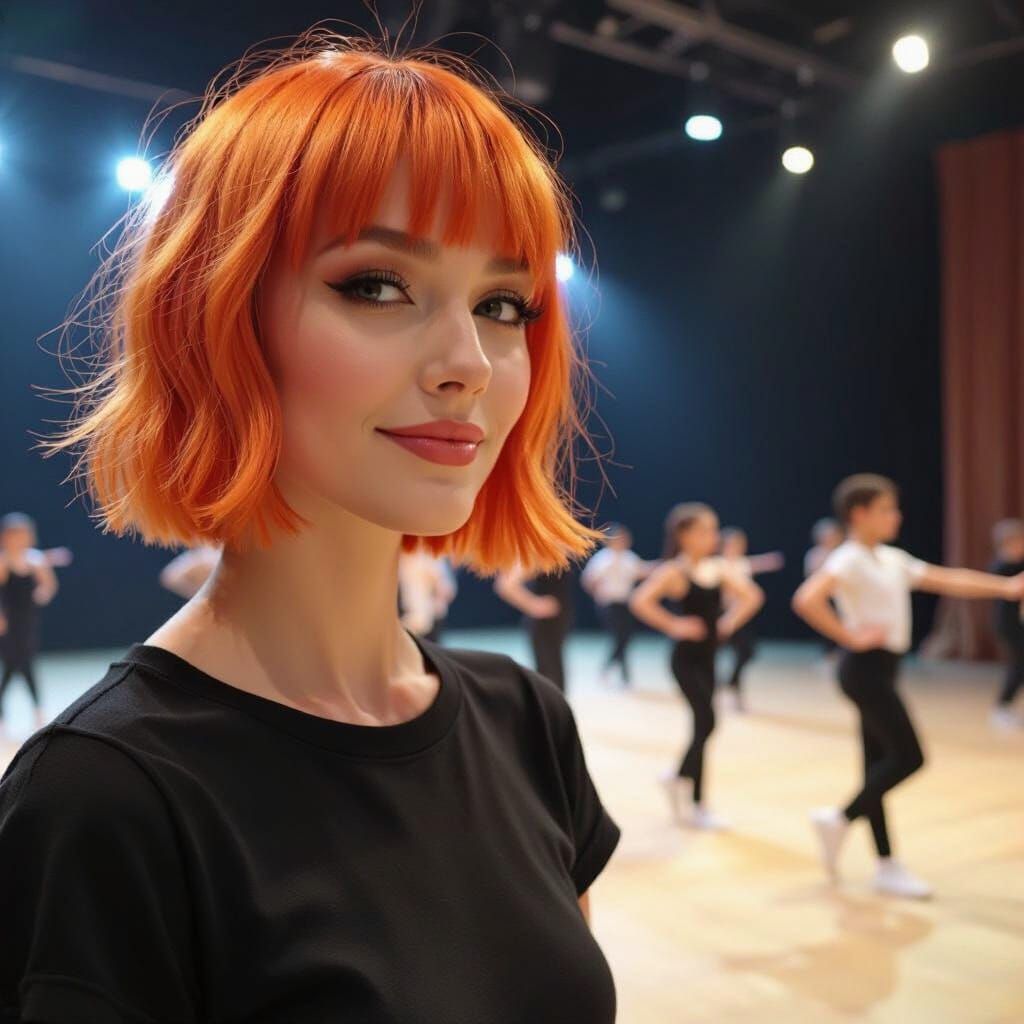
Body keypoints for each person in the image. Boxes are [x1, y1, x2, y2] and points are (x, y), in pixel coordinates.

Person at [0, 35, 621, 1023]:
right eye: (377, 284)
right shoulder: (108, 801)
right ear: (217, 315)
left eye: (505, 303)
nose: (469, 361)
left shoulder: (526, 722)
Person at [793, 474, 1024, 899]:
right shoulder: (849, 558)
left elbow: (947, 578)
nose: (896, 515)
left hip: (883, 668)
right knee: (909, 757)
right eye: (887, 509)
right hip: (863, 669)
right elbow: (807, 598)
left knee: (875, 765)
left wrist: (1006, 587)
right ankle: (840, 818)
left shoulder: (890, 558)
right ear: (859, 514)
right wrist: (849, 636)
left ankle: (884, 864)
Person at [629, 503, 763, 829]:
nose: (712, 537)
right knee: (707, 720)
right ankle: (689, 790)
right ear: (684, 535)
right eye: (704, 531)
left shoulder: (719, 569)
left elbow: (752, 596)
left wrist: (729, 622)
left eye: (714, 530)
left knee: (702, 725)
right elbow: (640, 601)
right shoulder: (676, 571)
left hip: (709, 658)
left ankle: (687, 788)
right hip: (685, 660)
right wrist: (674, 625)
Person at [0, 513, 61, 738]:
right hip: (7, 624)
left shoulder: (35, 560)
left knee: (25, 663)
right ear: (5, 538)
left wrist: (41, 594)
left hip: (27, 621)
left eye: (23, 536)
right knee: (11, 665)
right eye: (14, 536)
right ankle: (7, 715)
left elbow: (49, 585)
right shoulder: (3, 561)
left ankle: (37, 711)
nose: (18, 540)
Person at [580, 523, 654, 687]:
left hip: (625, 603)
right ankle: (609, 669)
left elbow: (642, 570)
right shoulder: (602, 559)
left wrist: (663, 566)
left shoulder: (629, 557)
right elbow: (588, 579)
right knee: (620, 637)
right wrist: (597, 594)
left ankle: (624, 675)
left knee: (626, 637)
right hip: (609, 604)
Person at [718, 527, 784, 710]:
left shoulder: (742, 563)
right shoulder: (718, 564)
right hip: (720, 614)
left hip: (740, 616)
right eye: (734, 543)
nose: (738, 547)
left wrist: (771, 561)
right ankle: (718, 690)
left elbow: (758, 563)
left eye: (741, 544)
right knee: (710, 652)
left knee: (746, 651)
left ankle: (732, 684)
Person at [494, 564, 575, 692]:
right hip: (544, 624)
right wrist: (534, 605)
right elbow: (506, 585)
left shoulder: (554, 552)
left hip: (556, 622)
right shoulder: (540, 555)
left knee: (554, 677)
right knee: (550, 677)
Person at [989, 518, 1024, 730]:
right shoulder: (1001, 567)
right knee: (1018, 666)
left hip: (1019, 624)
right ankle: (1001, 707)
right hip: (1010, 626)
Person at [398, 550, 458, 643]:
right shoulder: (408, 559)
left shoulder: (433, 558)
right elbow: (447, 589)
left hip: (426, 619)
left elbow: (447, 590)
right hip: (414, 619)